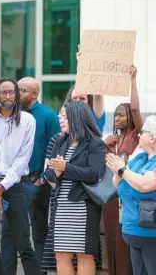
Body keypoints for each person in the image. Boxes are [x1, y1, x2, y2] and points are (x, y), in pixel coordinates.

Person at [0, 76, 58, 275]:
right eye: (17, 89)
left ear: (35, 94)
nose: (18, 93)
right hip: (11, 183)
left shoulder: (48, 116)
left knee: (38, 231)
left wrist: (43, 177)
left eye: (23, 90)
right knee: (8, 233)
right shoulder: (8, 115)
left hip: (36, 183)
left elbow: (54, 147)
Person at [0, 77, 40, 275]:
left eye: (11, 92)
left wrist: (3, 186)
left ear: (17, 95)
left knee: (24, 243)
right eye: (3, 92)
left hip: (13, 184)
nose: (7, 96)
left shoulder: (28, 120)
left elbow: (23, 157)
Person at [44, 100, 105, 275]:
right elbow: (48, 173)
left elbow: (94, 174)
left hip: (83, 207)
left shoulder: (95, 143)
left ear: (76, 117)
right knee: (61, 255)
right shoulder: (60, 140)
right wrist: (57, 172)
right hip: (61, 205)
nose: (60, 119)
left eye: (64, 116)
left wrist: (65, 168)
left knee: (84, 255)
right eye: (60, 116)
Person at [105, 115, 156, 275]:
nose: (139, 135)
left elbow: (145, 185)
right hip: (132, 230)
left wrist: (122, 170)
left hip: (150, 233)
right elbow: (117, 182)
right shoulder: (139, 158)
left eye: (144, 132)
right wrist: (119, 169)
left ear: (153, 138)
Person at [103, 65, 141, 275]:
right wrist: (105, 146)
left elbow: (135, 108)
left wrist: (133, 81)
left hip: (129, 198)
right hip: (111, 199)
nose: (117, 118)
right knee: (112, 241)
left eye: (121, 114)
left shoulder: (136, 135)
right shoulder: (112, 141)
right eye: (115, 115)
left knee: (126, 246)